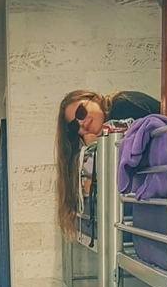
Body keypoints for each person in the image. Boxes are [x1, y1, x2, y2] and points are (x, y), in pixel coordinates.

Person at [55, 89, 160, 236]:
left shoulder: (122, 106)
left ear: (96, 99)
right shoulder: (112, 123)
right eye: (74, 126)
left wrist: (98, 148)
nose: (82, 124)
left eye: (80, 112)